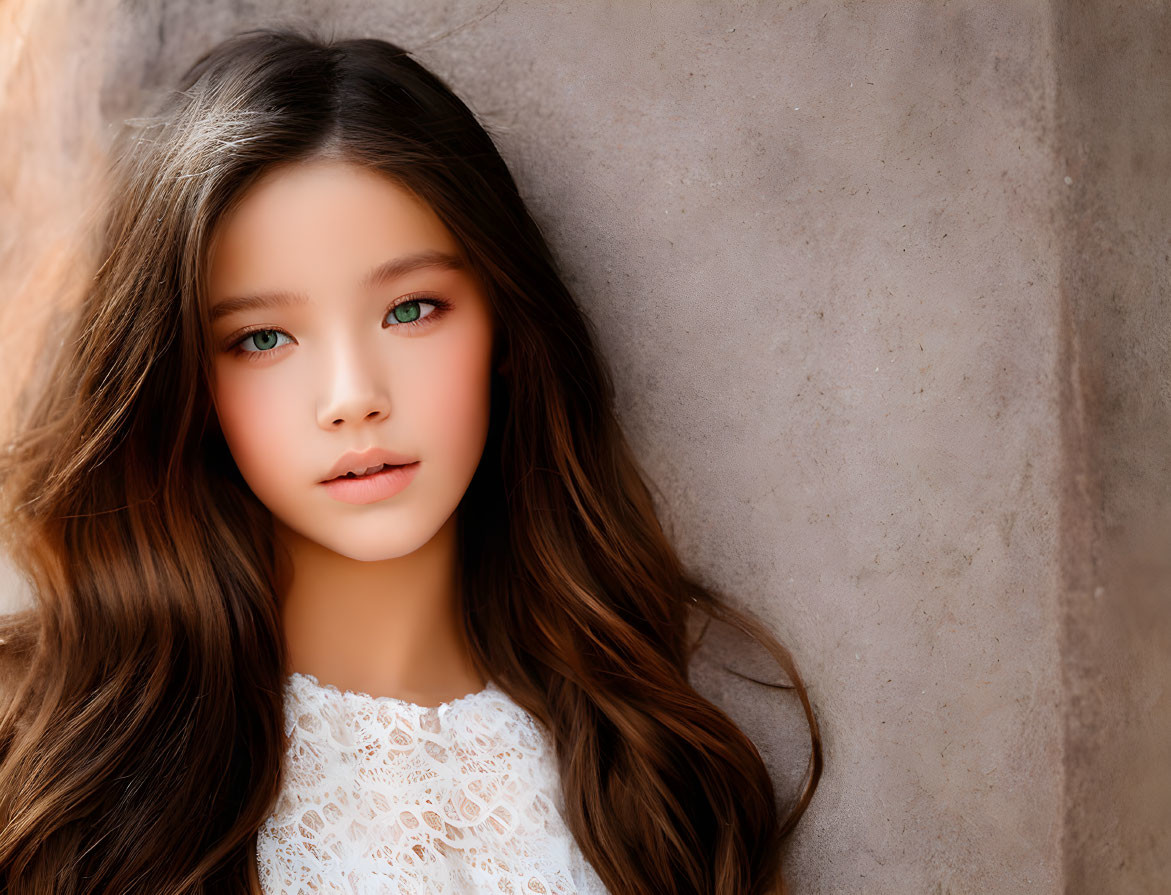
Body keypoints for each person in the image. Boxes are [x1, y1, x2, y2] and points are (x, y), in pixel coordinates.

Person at [0, 24, 821, 895]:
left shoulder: (660, 780)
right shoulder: (48, 758)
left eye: (412, 309)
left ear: (505, 326)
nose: (352, 395)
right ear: (189, 383)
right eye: (263, 337)